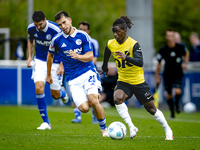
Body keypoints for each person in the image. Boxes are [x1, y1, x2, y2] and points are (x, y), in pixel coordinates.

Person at [101, 16, 173, 140]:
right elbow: (107, 50)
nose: (115, 34)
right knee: (117, 98)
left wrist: (126, 57)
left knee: (151, 108)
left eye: (117, 31)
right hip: (123, 80)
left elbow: (140, 62)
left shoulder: (133, 44)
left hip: (138, 82)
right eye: (113, 31)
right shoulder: (111, 43)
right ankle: (131, 127)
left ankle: (167, 129)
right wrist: (105, 66)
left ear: (124, 31)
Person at [46, 11, 108, 137]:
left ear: (70, 20)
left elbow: (90, 56)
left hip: (88, 72)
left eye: (64, 22)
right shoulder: (56, 40)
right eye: (59, 24)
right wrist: (48, 74)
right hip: (73, 79)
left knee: (94, 101)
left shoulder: (83, 35)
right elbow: (50, 56)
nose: (63, 26)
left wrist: (78, 56)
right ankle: (91, 99)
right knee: (84, 108)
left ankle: (104, 130)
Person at [26, 10, 68, 130]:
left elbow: (64, 47)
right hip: (39, 60)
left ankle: (62, 93)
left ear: (45, 20)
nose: (38, 27)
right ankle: (46, 122)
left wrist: (62, 65)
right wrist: (29, 57)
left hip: (55, 61)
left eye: (40, 24)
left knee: (55, 95)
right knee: (39, 87)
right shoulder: (31, 28)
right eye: (36, 25)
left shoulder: (55, 29)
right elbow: (30, 41)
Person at [155, 29, 189, 118]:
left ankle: (177, 104)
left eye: (171, 36)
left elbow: (186, 53)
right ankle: (172, 113)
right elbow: (158, 63)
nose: (170, 38)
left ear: (174, 37)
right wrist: (156, 75)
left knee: (178, 91)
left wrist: (185, 63)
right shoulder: (163, 49)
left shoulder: (180, 47)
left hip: (178, 73)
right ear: (166, 37)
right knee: (169, 95)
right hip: (167, 74)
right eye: (168, 36)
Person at [71, 21, 100, 124]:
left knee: (92, 96)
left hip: (89, 72)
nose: (81, 31)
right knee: (77, 94)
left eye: (84, 30)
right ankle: (77, 117)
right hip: (76, 72)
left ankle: (95, 117)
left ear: (88, 31)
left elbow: (94, 58)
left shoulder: (93, 42)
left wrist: (85, 66)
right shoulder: (73, 40)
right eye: (80, 29)